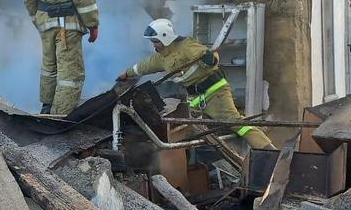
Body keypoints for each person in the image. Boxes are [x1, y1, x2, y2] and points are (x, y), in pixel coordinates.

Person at [117, 18, 275, 150]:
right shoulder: (161, 57)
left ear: (165, 37)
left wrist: (210, 59)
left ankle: (268, 149)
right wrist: (127, 74)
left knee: (235, 123)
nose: (154, 45)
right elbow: (144, 66)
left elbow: (209, 55)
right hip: (195, 98)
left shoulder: (186, 45)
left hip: (215, 93)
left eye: (156, 41)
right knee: (190, 130)